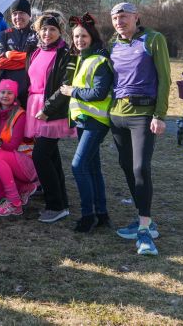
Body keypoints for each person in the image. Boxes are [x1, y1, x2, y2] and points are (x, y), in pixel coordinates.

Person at [108, 2, 170, 256]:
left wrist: (160, 114)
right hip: (117, 116)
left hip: (143, 115)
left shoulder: (153, 39)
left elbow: (165, 78)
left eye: (124, 17)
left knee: (140, 167)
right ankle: (146, 219)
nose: (119, 22)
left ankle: (145, 231)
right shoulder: (113, 45)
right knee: (127, 167)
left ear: (136, 17)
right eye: (115, 18)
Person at [59, 13, 113, 233]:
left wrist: (73, 91)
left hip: (96, 120)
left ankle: (87, 215)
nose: (79, 40)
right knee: (92, 168)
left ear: (92, 36)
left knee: (78, 166)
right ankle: (102, 214)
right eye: (76, 37)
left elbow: (99, 92)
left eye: (83, 36)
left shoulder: (99, 60)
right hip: (83, 120)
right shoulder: (82, 57)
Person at [25, 10, 75, 224]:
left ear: (60, 31)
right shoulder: (35, 51)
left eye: (52, 29)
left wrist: (47, 109)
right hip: (34, 106)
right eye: (44, 29)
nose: (47, 33)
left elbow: (65, 86)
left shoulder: (65, 53)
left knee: (40, 155)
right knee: (51, 156)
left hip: (50, 110)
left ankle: (55, 205)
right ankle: (60, 201)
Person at [0, 79, 38, 217]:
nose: (5, 95)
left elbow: (12, 146)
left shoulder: (19, 115)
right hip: (13, 162)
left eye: (9, 93)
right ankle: (24, 188)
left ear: (15, 96)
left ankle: (14, 203)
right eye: (2, 92)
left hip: (27, 165)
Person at [0, 0, 38, 108]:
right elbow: (0, 62)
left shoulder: (37, 35)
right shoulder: (4, 35)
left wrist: (10, 55)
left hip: (31, 90)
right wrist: (29, 60)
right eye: (15, 14)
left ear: (29, 15)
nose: (18, 17)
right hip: (8, 91)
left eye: (22, 13)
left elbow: (38, 60)